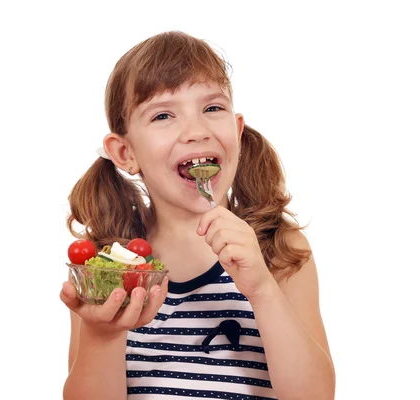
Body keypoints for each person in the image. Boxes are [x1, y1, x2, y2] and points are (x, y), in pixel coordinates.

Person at [60, 30, 335, 400]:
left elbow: (315, 395)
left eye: (212, 108)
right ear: (124, 152)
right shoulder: (105, 266)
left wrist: (262, 291)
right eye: (162, 115)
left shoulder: (278, 249)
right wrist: (103, 334)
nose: (195, 131)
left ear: (236, 132)